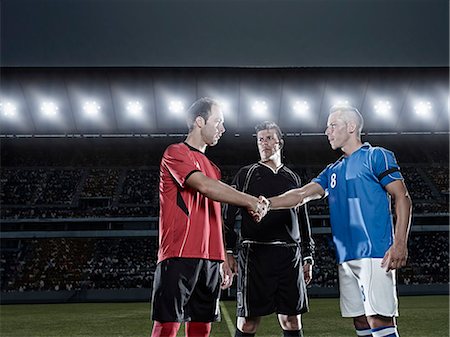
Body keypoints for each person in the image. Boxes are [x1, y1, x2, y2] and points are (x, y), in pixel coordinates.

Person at [268, 105, 412, 337]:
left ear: (351, 127)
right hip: (345, 256)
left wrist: (400, 243)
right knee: (361, 321)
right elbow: (302, 194)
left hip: (375, 252)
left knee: (379, 319)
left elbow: (402, 197)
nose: (327, 131)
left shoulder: (376, 155)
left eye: (333, 125)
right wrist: (266, 203)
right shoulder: (332, 169)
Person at [151, 97, 269, 337]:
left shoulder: (213, 168)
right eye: (218, 122)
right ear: (199, 121)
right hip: (179, 253)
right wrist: (250, 201)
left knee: (201, 327)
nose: (222, 129)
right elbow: (204, 186)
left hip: (210, 260)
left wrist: (222, 255)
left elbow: (216, 216)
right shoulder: (175, 152)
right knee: (167, 325)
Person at [224, 121, 315, 337]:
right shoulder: (246, 174)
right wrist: (228, 251)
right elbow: (227, 216)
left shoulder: (293, 178)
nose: (264, 143)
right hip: (255, 254)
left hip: (289, 255)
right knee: (247, 322)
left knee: (291, 320)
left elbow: (303, 220)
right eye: (260, 140)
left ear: (280, 143)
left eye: (269, 138)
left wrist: (308, 256)